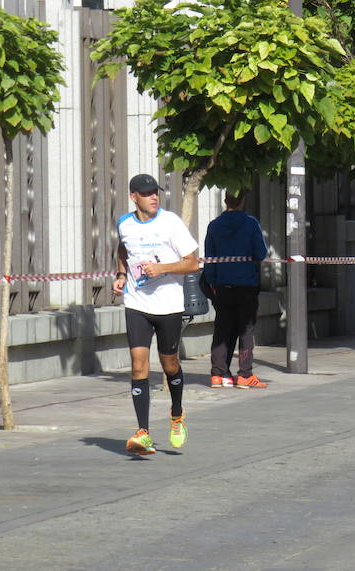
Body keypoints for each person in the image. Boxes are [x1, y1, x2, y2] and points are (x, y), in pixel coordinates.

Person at [113, 174, 199, 456]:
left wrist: (162, 269)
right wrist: (121, 274)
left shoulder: (170, 222)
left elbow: (192, 263)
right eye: (147, 193)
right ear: (133, 197)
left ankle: (176, 414)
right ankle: (143, 432)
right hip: (136, 303)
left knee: (169, 363)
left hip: (168, 306)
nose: (153, 197)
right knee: (138, 364)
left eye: (155, 192)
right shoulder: (124, 223)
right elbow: (123, 248)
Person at [204, 191, 269, 389]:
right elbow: (261, 253)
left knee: (222, 329)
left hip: (222, 286)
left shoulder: (214, 226)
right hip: (246, 285)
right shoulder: (251, 224)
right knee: (246, 330)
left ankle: (218, 374)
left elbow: (209, 259)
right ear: (243, 201)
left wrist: (213, 284)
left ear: (225, 201)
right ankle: (245, 374)